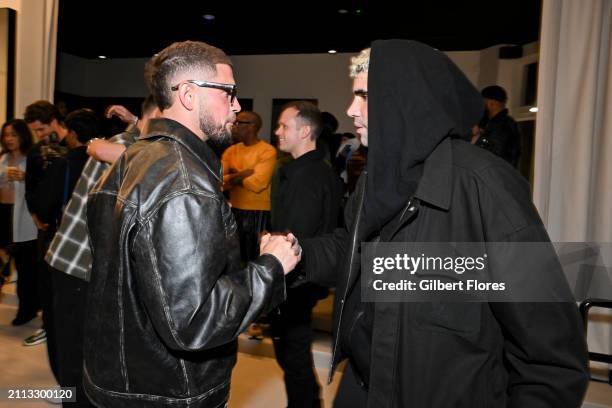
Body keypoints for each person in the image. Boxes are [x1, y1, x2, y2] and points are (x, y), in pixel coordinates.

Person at [295, 40, 588, 407]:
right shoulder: (378, 179)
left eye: (364, 95)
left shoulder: (486, 186)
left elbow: (551, 359)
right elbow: (352, 246)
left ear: (408, 100)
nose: (351, 108)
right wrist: (297, 254)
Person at [83, 41, 299, 408]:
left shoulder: (134, 157)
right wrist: (271, 267)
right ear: (187, 94)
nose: (237, 106)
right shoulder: (184, 182)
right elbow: (196, 321)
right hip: (167, 392)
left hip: (116, 380)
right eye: (228, 93)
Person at [270, 101, 342, 408]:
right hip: (304, 279)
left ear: (306, 131)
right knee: (292, 352)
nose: (277, 132)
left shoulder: (306, 177)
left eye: (284, 126)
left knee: (292, 353)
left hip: (295, 281)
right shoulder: (316, 170)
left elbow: (295, 237)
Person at [221, 110, 276, 263]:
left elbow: (258, 183)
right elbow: (220, 183)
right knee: (236, 255)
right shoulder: (231, 151)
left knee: (257, 256)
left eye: (239, 123)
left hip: (259, 212)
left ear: (252, 127)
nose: (234, 126)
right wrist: (242, 174)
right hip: (235, 209)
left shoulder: (267, 151)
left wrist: (232, 176)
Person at [0, 119, 38, 325]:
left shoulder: (31, 158)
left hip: (23, 218)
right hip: (3, 215)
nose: (9, 139)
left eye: (13, 134)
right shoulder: (3, 158)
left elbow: (39, 185)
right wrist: (4, 174)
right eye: (6, 135)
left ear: (22, 135)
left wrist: (26, 177)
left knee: (26, 268)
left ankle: (27, 310)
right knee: (2, 264)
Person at [474, 85, 522, 167]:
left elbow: (493, 155)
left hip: (494, 175)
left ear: (491, 103)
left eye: (483, 102)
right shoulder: (503, 123)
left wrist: (478, 139)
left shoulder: (502, 124)